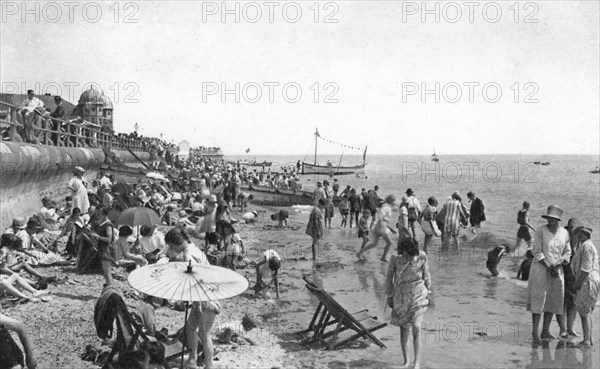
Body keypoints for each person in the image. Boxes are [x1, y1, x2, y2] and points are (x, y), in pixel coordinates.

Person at [164, 227, 218, 369]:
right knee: (190, 328)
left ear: (175, 243)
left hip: (206, 298)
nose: (170, 249)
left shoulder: (189, 256)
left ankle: (209, 364)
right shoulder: (194, 250)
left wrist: (198, 304)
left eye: (170, 245)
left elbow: (197, 280)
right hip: (202, 297)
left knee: (204, 333)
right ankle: (193, 360)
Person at [526, 205, 571, 344]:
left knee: (552, 299)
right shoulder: (541, 231)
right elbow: (536, 251)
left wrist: (558, 264)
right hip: (540, 269)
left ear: (558, 220)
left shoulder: (564, 233)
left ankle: (545, 330)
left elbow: (567, 252)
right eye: (549, 218)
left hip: (557, 270)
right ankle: (535, 332)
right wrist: (548, 265)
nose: (550, 221)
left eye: (553, 219)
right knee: (539, 299)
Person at [385, 237, 431, 369]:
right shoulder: (395, 258)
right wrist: (389, 295)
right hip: (401, 296)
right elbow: (389, 277)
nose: (411, 255)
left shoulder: (421, 256)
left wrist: (429, 291)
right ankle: (406, 361)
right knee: (404, 329)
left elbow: (427, 275)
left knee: (417, 326)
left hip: (418, 294)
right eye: (408, 252)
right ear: (403, 250)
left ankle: (417, 362)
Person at [571, 224, 599, 347]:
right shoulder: (586, 245)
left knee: (583, 312)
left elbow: (585, 269)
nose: (578, 235)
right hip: (592, 280)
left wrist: (577, 284)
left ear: (585, 235)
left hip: (587, 280)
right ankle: (589, 338)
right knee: (587, 311)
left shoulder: (586, 246)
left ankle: (586, 340)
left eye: (580, 233)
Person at [559, 218, 583, 338]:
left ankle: (570, 328)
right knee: (563, 301)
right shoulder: (564, 240)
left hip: (575, 275)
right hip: (564, 273)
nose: (573, 231)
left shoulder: (580, 243)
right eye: (571, 229)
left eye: (575, 229)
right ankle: (563, 329)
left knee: (573, 301)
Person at [357, 195, 395, 262]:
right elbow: (381, 216)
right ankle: (383, 257)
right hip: (381, 227)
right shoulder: (386, 207)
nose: (394, 202)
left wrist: (389, 228)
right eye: (393, 201)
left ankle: (360, 253)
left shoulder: (386, 206)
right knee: (389, 242)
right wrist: (383, 226)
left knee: (375, 244)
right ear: (391, 201)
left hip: (380, 226)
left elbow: (382, 216)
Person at [89, 208, 115, 287]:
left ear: (104, 215)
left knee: (107, 273)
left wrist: (98, 237)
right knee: (106, 273)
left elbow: (109, 239)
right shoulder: (103, 224)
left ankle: (111, 290)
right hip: (103, 249)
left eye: (100, 214)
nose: (98, 216)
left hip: (106, 250)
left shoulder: (108, 225)